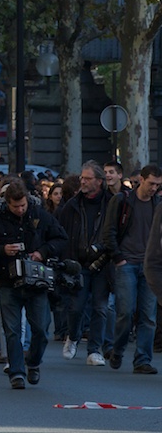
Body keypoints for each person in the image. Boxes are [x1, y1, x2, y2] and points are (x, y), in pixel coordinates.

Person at [0, 180, 67, 389]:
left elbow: (61, 238)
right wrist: (3, 250)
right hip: (8, 281)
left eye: (23, 205)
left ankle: (33, 362)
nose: (20, 209)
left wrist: (41, 253)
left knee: (41, 329)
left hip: (36, 281)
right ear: (7, 203)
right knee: (12, 330)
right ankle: (16, 372)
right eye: (15, 206)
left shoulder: (40, 215)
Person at [101, 164, 162, 374]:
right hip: (126, 262)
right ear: (141, 180)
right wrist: (118, 258)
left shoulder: (158, 204)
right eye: (151, 183)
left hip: (150, 266)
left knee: (148, 315)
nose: (154, 188)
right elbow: (108, 230)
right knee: (125, 312)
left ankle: (142, 359)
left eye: (158, 185)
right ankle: (117, 349)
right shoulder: (123, 200)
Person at [54, 160, 112, 366]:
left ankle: (95, 349)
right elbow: (63, 233)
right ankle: (73, 336)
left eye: (87, 178)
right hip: (78, 263)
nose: (83, 181)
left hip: (103, 263)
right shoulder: (73, 205)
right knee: (76, 307)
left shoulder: (110, 202)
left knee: (100, 307)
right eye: (82, 178)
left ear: (99, 181)